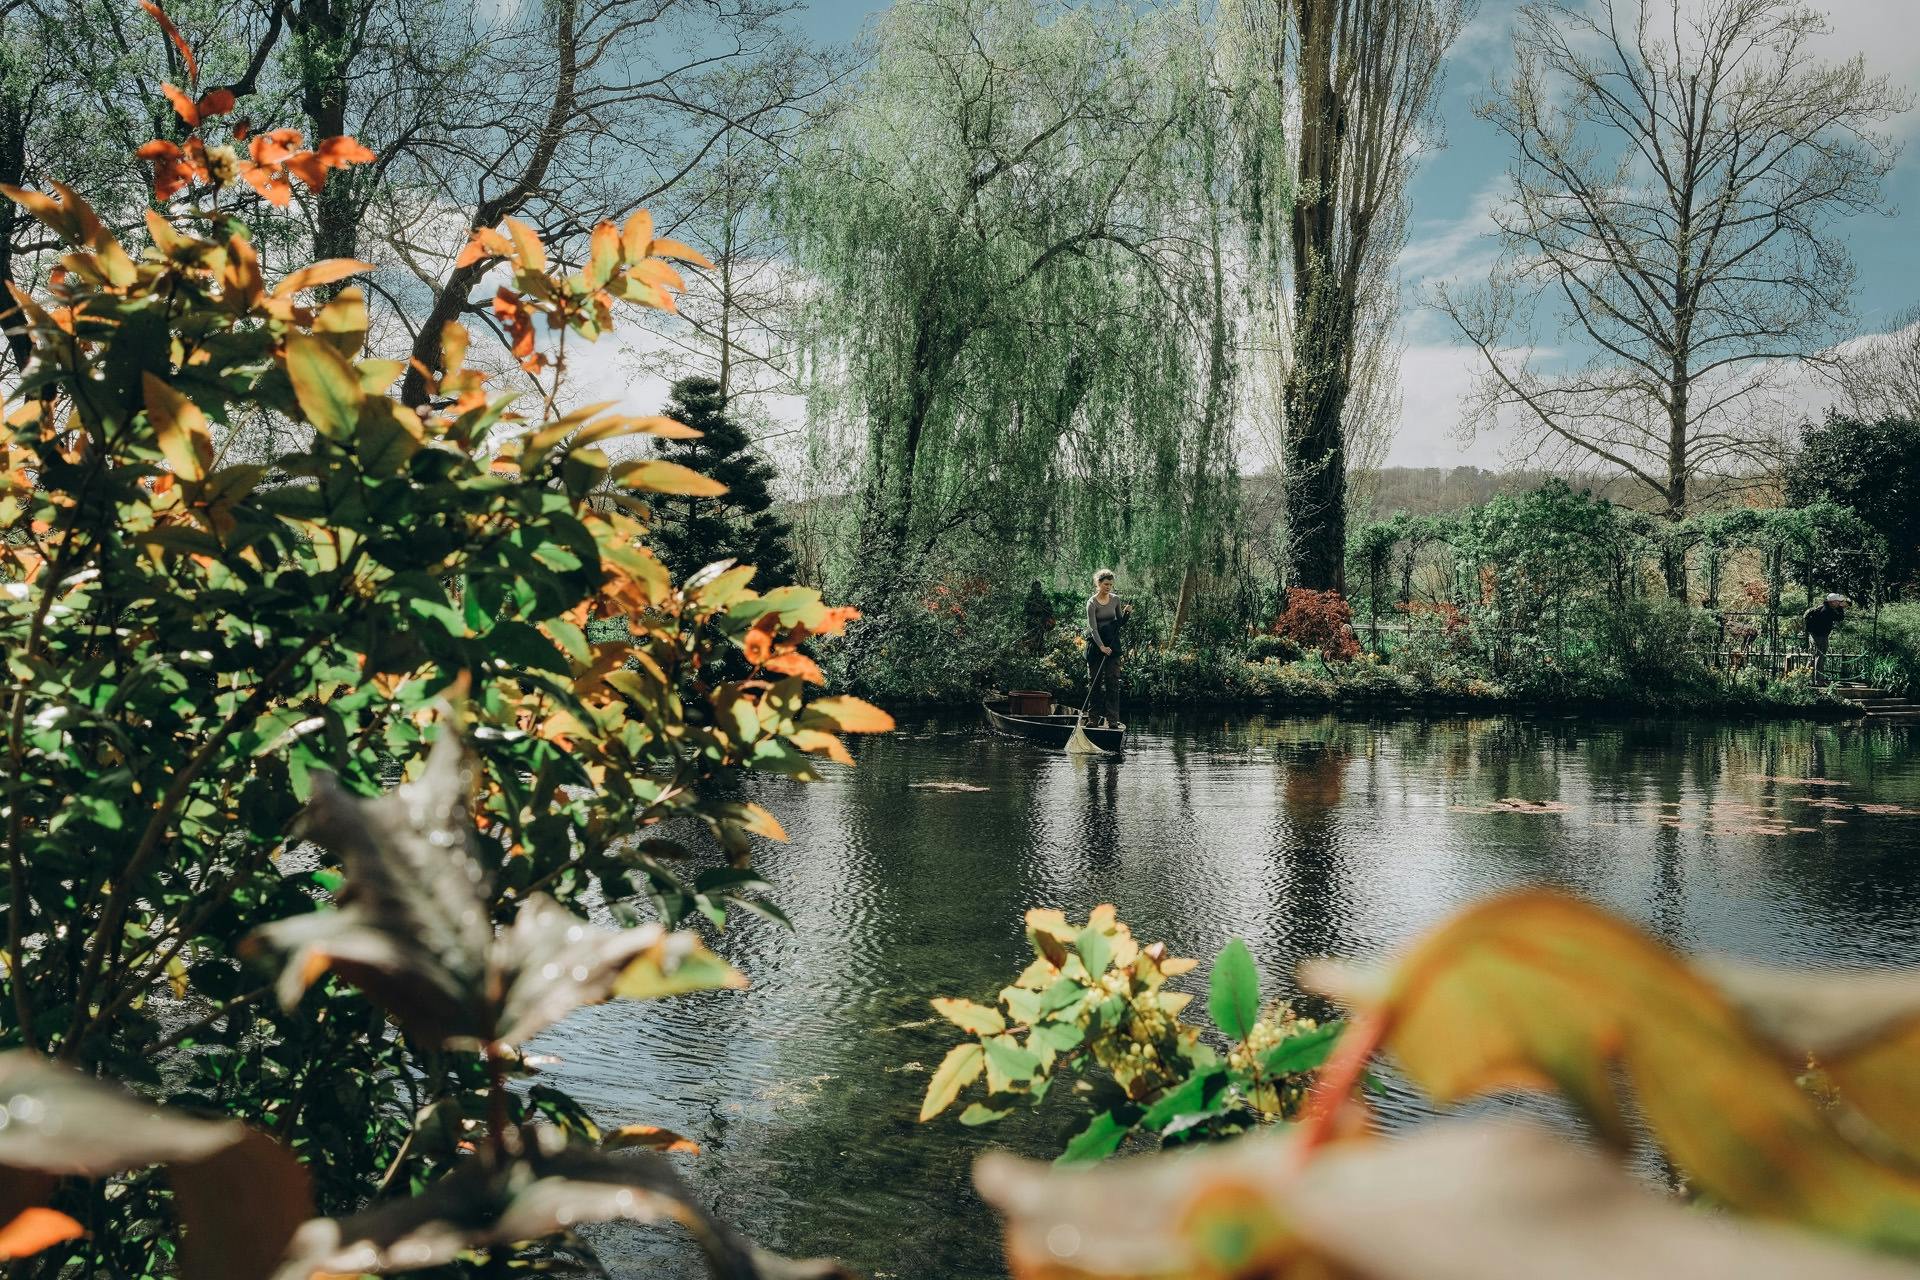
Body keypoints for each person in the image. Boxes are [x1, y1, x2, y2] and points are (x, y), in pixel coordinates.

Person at [1084, 569, 1129, 727]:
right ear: (1098, 584)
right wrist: (1102, 647)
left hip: (1113, 646)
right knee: (1095, 684)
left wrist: (1126, 614)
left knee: (1112, 683)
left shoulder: (1115, 599)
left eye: (1111, 584)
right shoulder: (1092, 603)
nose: (1108, 587)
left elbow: (1119, 623)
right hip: (1097, 647)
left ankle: (1112, 720)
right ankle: (1093, 720)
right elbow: (1093, 629)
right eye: (1105, 584)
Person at [1803, 593, 1849, 685]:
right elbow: (1840, 618)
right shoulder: (1827, 611)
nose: (1839, 603)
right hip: (1820, 636)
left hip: (1813, 635)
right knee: (1820, 657)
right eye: (1838, 601)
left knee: (1813, 656)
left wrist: (1838, 607)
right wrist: (1841, 608)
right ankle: (1818, 680)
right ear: (1832, 602)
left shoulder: (1821, 607)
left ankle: (1806, 679)